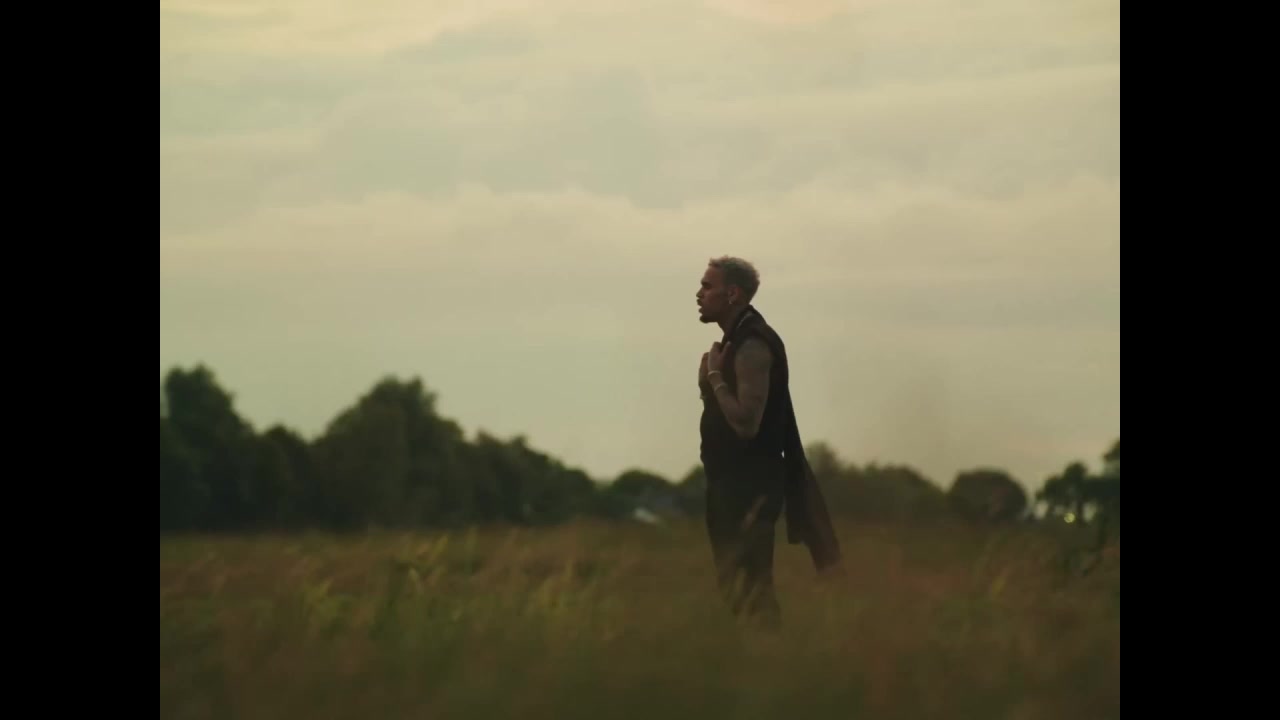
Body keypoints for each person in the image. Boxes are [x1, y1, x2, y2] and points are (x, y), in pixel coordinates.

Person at [695, 256, 841, 627]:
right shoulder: (736, 339)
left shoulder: (752, 345)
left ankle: (770, 651)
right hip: (729, 483)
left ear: (732, 294)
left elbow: (746, 423)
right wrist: (708, 386)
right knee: (735, 586)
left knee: (752, 586)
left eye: (707, 286)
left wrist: (714, 378)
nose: (699, 294)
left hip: (750, 487)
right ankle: (754, 652)